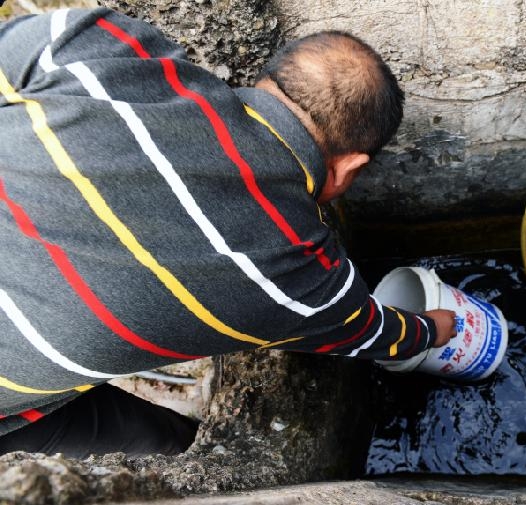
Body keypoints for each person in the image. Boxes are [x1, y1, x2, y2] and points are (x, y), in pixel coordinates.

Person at [0, 7, 457, 455]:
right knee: (148, 435)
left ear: (265, 82)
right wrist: (434, 330)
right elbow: (372, 333)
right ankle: (176, 441)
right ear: (350, 167)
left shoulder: (93, 44)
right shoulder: (299, 279)